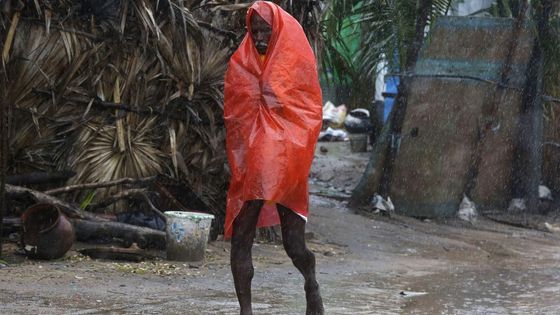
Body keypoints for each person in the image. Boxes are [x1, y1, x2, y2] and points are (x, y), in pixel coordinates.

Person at [223, 1, 324, 314]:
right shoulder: (241, 63)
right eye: (255, 31)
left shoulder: (294, 61)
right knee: (242, 234)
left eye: (267, 30)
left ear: (279, 29)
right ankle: (246, 310)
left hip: (284, 159)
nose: (261, 37)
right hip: (252, 163)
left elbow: (307, 110)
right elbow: (235, 113)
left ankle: (311, 282)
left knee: (294, 245)